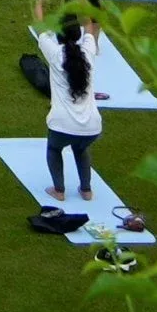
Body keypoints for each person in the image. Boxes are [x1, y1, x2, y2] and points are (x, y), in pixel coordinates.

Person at [40, 12, 105, 204]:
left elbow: (40, 27)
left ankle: (59, 189)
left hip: (61, 125)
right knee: (80, 148)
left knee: (54, 149)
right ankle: (86, 190)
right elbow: (90, 27)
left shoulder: (54, 53)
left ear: (58, 35)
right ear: (77, 35)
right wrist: (82, 0)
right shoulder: (88, 51)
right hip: (92, 127)